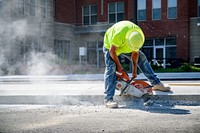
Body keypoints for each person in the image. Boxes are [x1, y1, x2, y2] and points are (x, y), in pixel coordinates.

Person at [103, 20, 171, 108]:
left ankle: (156, 83)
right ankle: (108, 99)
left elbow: (135, 54)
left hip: (125, 45)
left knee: (141, 58)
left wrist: (134, 71)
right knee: (111, 68)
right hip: (111, 46)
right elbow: (112, 51)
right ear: (127, 40)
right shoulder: (119, 34)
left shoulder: (139, 36)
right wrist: (119, 66)